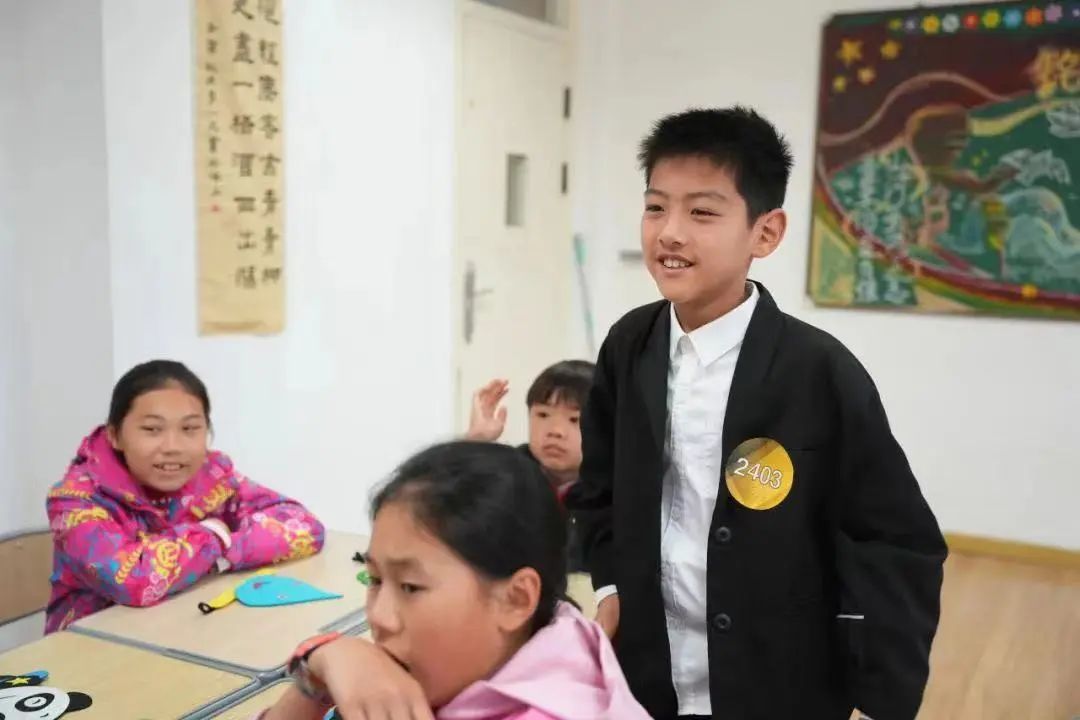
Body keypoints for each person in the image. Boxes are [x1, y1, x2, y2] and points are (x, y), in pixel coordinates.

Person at [565, 107, 947, 720]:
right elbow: (599, 488)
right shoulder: (628, 346)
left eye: (702, 213)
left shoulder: (819, 372)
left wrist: (877, 689)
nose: (670, 233)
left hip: (778, 680)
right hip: (647, 670)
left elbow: (895, 540)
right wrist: (609, 583)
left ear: (765, 233)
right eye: (656, 207)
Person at [257, 442, 649, 720]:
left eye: (410, 587)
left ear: (516, 599)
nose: (379, 617)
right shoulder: (541, 639)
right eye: (374, 579)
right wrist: (322, 666)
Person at [46, 360, 325, 632]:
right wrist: (213, 536)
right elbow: (134, 581)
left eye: (190, 429)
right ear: (115, 435)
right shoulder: (74, 500)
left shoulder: (211, 476)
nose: (173, 447)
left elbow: (304, 527)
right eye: (152, 429)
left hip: (183, 629)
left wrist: (223, 550)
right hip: (90, 647)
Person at [466, 360, 595, 571]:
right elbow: (451, 511)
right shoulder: (508, 473)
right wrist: (476, 443)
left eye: (575, 420)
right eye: (543, 415)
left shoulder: (620, 491)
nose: (555, 431)